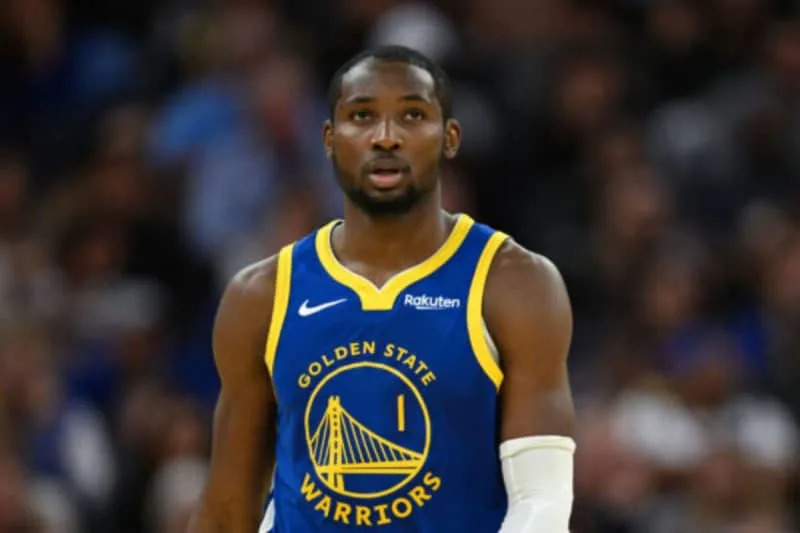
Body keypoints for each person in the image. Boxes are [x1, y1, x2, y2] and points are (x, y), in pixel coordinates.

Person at [188, 45, 576, 533]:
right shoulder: (262, 294)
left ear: (449, 138)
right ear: (330, 139)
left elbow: (541, 504)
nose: (386, 137)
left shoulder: (514, 282)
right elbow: (226, 512)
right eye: (362, 116)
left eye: (412, 115)